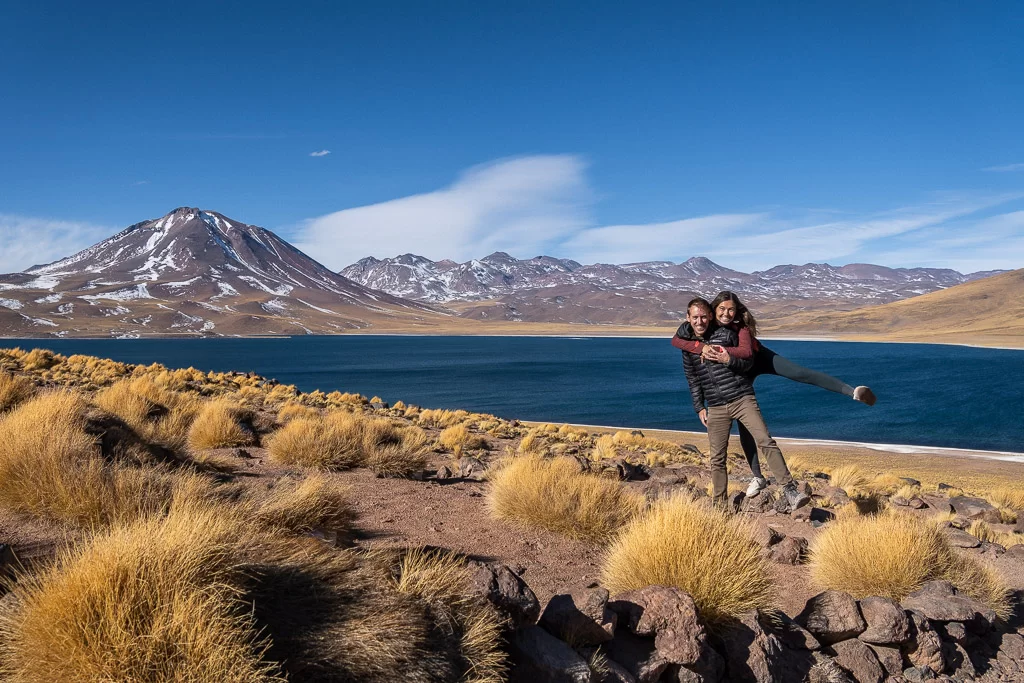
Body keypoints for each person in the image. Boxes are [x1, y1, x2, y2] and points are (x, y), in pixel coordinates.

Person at [672, 290, 876, 498]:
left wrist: (720, 353)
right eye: (721, 309)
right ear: (713, 310)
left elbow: (747, 353)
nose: (726, 314)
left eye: (731, 309)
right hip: (738, 374)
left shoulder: (739, 327)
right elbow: (678, 340)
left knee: (799, 374)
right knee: (745, 425)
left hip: (756, 358)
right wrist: (700, 347)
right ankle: (757, 477)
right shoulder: (705, 325)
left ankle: (852, 391)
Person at [678, 297, 810, 511]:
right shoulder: (688, 347)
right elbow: (692, 378)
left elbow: (747, 362)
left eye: (703, 317)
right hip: (716, 406)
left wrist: (727, 359)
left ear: (710, 316)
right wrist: (699, 407)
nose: (700, 321)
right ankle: (719, 508)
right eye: (695, 317)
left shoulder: (727, 334)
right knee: (717, 458)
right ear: (688, 318)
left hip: (742, 398)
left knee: (765, 440)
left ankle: (790, 490)